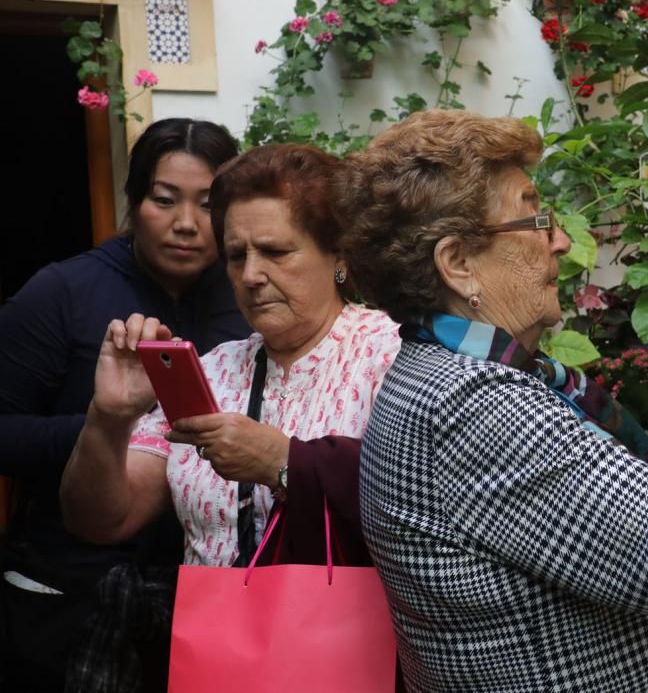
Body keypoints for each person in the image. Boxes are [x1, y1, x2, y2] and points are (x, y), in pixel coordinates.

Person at [335, 109, 648, 693]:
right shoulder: (472, 404)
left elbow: (582, 521)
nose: (559, 240)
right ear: (457, 264)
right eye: (535, 217)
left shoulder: (450, 374)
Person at [0, 118, 248, 693]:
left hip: (202, 593)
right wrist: (115, 430)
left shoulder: (246, 294)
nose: (186, 224)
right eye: (164, 200)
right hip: (70, 587)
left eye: (207, 205)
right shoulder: (62, 293)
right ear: (134, 200)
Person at [59, 142, 399, 578]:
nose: (252, 276)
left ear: (339, 256)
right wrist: (108, 417)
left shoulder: (391, 356)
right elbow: (102, 521)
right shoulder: (212, 371)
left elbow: (434, 508)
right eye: (237, 256)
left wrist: (284, 464)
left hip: (339, 634)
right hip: (218, 639)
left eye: (276, 252)